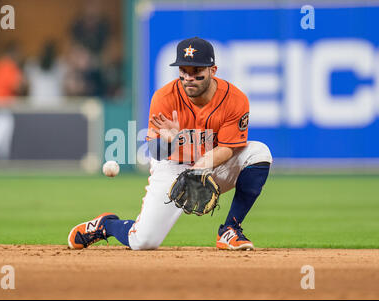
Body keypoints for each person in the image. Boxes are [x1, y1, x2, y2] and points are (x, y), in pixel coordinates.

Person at [67, 37, 272, 251]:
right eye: (184, 70)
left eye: (196, 71)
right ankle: (105, 225)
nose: (189, 77)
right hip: (173, 167)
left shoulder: (234, 99)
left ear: (213, 70)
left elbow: (228, 148)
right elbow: (156, 153)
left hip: (212, 165)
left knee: (259, 152)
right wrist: (170, 141)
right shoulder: (164, 98)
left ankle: (230, 230)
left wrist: (201, 166)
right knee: (144, 242)